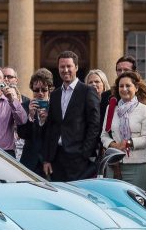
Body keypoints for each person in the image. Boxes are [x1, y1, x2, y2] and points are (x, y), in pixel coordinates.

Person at [42, 51, 101, 182]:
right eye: (62, 67)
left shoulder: (88, 91)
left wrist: (85, 153)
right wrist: (47, 158)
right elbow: (51, 127)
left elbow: (94, 125)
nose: (65, 70)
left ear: (77, 67)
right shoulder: (55, 94)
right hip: (56, 158)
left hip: (79, 158)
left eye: (69, 66)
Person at [100, 71, 146, 191]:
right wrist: (113, 145)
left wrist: (128, 143)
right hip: (114, 165)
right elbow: (104, 134)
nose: (124, 89)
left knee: (137, 204)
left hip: (138, 165)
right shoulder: (111, 108)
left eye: (128, 86)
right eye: (121, 86)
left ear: (136, 88)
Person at [17, 69, 54, 177]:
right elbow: (21, 134)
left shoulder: (55, 106)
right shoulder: (25, 106)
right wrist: (30, 116)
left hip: (49, 161)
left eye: (44, 89)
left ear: (50, 89)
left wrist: (46, 120)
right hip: (29, 160)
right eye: (36, 90)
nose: (40, 93)